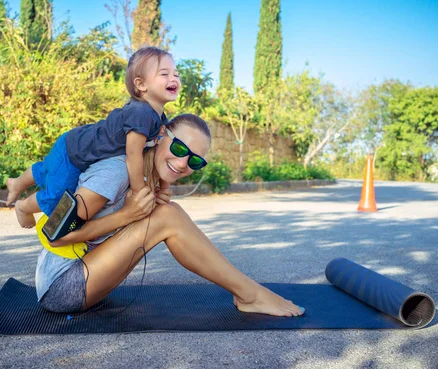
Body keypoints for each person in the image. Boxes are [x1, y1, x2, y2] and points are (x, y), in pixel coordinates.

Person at [35, 113, 305, 318]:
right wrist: (126, 216)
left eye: (195, 161)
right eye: (179, 149)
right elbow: (55, 236)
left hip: (86, 278)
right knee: (168, 216)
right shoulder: (115, 172)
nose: (183, 163)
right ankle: (249, 294)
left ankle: (247, 291)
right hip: (61, 288)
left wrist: (142, 210)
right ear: (160, 135)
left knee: (168, 212)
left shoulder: (144, 178)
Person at [6, 46, 181, 228]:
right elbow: (133, 155)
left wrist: (165, 188)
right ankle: (23, 207)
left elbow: (158, 153)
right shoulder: (140, 113)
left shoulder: (157, 116)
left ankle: (16, 183)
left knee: (47, 169)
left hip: (73, 142)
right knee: (58, 196)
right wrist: (138, 192)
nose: (173, 78)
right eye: (164, 74)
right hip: (76, 153)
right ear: (141, 84)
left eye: (176, 74)